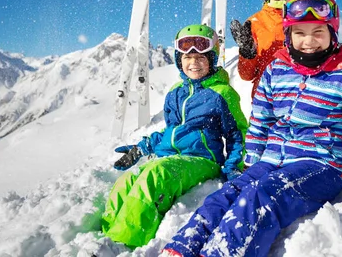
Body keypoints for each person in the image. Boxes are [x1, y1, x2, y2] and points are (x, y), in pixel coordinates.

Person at [162, 0, 342, 257]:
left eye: (318, 33)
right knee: (226, 195)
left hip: (319, 164)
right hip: (270, 160)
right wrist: (250, 163)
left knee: (261, 197)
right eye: (300, 33)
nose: (309, 42)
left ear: (332, 34)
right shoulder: (277, 69)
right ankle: (180, 249)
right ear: (289, 35)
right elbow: (260, 121)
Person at [101, 24, 248, 248]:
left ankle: (124, 242)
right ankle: (107, 237)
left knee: (156, 175)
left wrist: (233, 166)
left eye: (201, 57)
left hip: (202, 161)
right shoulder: (175, 93)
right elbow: (172, 133)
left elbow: (237, 133)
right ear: (179, 61)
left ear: (212, 59)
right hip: (173, 158)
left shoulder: (222, 93)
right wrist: (143, 148)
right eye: (187, 57)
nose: (194, 62)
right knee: (127, 181)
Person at [230, 0, 303, 98]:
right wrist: (247, 53)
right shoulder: (254, 23)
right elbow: (246, 76)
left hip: (305, 101)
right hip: (266, 104)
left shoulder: (310, 14)